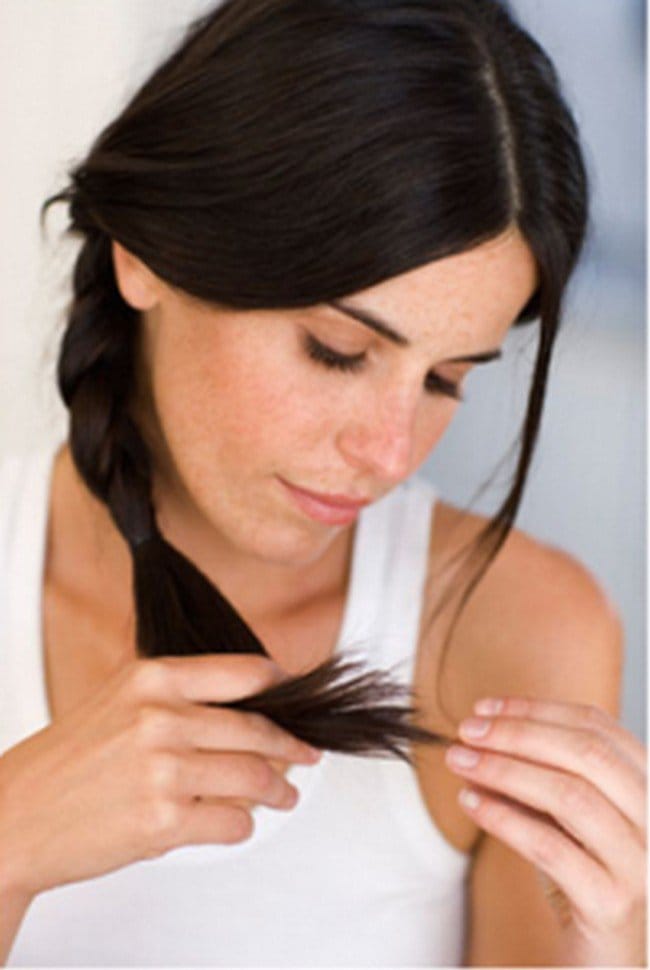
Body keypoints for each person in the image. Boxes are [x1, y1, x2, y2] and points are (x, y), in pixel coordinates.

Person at [0, 0, 645, 965]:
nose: (390, 453)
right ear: (145, 252)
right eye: (337, 351)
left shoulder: (512, 632)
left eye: (444, 381)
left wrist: (619, 945)